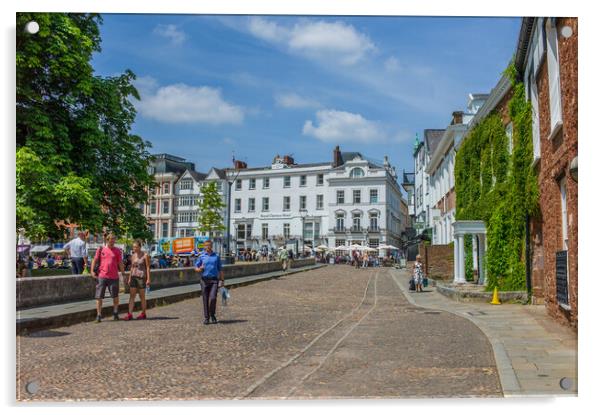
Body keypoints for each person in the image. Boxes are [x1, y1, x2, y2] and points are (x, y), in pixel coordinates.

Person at [90, 233, 124, 323]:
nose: (112, 241)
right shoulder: (101, 249)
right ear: (107, 240)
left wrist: (123, 272)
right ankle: (98, 315)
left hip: (114, 276)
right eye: (111, 239)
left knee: (115, 296)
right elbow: (95, 260)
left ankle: (115, 313)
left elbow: (120, 262)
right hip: (102, 276)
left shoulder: (117, 250)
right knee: (99, 296)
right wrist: (92, 271)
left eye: (114, 239)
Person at [195, 240, 224, 325]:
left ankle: (212, 315)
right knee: (205, 299)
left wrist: (222, 280)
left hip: (214, 280)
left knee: (213, 298)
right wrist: (199, 269)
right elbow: (196, 267)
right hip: (204, 280)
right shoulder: (201, 256)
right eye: (206, 245)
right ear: (204, 246)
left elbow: (220, 269)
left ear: (211, 246)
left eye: (209, 245)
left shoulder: (216, 256)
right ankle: (207, 318)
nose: (207, 247)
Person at [124, 240, 151, 321]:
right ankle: (130, 314)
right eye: (133, 247)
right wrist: (129, 278)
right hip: (133, 277)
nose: (134, 248)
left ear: (140, 247)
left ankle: (143, 313)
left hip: (141, 277)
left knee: (142, 296)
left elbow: (148, 267)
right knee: (132, 296)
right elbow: (132, 267)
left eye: (136, 247)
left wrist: (148, 279)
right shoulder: (133, 256)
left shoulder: (145, 255)